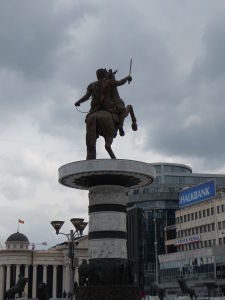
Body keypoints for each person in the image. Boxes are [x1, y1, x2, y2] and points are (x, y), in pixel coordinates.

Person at [75, 68, 132, 135]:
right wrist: (127, 77)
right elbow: (121, 82)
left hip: (96, 108)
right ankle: (120, 126)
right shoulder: (110, 82)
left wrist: (78, 102)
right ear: (105, 74)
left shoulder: (91, 85)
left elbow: (86, 96)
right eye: (106, 73)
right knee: (123, 110)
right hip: (109, 106)